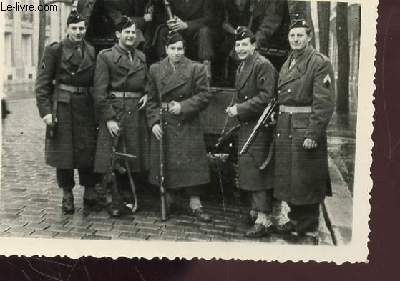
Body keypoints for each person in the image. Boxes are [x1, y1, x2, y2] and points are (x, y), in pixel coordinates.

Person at [273, 19, 335, 238]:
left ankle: (307, 224)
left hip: (303, 128)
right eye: (292, 36)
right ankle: (295, 219)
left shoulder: (319, 63)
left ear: (309, 37)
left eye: (300, 35)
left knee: (305, 177)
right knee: (290, 177)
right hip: (286, 125)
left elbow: (324, 103)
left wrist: (313, 134)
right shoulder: (289, 60)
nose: (296, 39)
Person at [35, 10, 101, 215]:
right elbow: (42, 85)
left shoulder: (91, 50)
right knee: (64, 154)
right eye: (74, 28)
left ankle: (89, 191)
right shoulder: (54, 50)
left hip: (86, 107)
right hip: (63, 107)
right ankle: (67, 194)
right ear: (67, 29)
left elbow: (95, 82)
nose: (78, 32)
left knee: (87, 150)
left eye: (82, 28)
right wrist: (46, 112)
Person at [146, 32, 212, 222]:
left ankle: (195, 202)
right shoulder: (155, 69)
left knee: (192, 162)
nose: (176, 52)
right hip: (164, 121)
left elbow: (205, 96)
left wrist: (183, 106)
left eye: (180, 48)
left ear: (185, 49)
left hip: (187, 120)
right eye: (173, 48)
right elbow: (151, 100)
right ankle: (168, 197)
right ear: (166, 49)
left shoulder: (196, 69)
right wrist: (153, 122)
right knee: (166, 160)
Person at [92, 16, 149, 217]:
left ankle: (127, 197)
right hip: (115, 111)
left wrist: (147, 94)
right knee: (110, 157)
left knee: (131, 157)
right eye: (127, 32)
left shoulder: (141, 57)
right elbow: (99, 92)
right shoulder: (105, 57)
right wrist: (109, 118)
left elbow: (147, 82)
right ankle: (110, 199)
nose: (131, 35)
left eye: (133, 32)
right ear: (118, 35)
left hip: (135, 112)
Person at [225, 27, 277, 238]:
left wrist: (240, 109)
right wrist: (235, 108)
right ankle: (256, 211)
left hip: (259, 127)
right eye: (238, 45)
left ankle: (264, 219)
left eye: (245, 44)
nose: (240, 48)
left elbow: (267, 97)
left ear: (254, 45)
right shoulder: (243, 65)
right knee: (248, 168)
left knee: (258, 170)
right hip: (248, 124)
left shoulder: (262, 65)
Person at [217, 0, 290, 85]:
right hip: (257, 37)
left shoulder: (276, 2)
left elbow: (268, 27)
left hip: (273, 41)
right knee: (227, 46)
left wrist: (252, 42)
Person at [146, 0, 214, 68]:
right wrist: (169, 22)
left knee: (204, 31)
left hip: (195, 33)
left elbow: (209, 18)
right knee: (163, 31)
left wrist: (187, 25)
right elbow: (161, 15)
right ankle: (165, 67)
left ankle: (206, 69)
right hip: (176, 31)